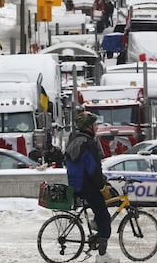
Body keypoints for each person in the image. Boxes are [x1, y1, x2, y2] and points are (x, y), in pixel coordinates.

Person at [64, 111, 115, 261]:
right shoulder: (89, 143)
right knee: (105, 216)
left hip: (77, 184)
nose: (97, 127)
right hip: (87, 186)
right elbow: (93, 168)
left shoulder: (74, 140)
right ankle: (102, 256)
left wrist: (100, 178)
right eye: (95, 125)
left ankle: (96, 226)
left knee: (100, 212)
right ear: (88, 127)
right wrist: (102, 186)